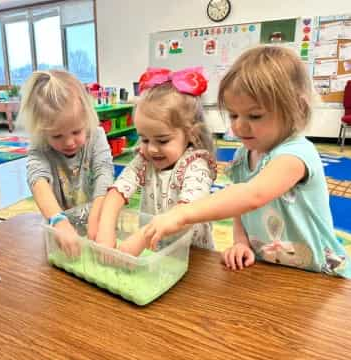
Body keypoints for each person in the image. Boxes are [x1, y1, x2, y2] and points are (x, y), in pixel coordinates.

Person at [138, 45, 351, 278]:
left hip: (319, 273)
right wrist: (241, 242)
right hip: (268, 268)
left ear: (297, 109)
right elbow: (240, 207)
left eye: (255, 115)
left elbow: (252, 196)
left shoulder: (297, 154)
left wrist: (181, 214)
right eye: (233, 115)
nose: (239, 126)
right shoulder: (244, 155)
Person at [96, 67, 217, 256]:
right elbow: (117, 191)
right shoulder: (145, 160)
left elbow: (185, 213)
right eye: (144, 139)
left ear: (191, 134)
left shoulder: (196, 165)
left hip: (193, 256)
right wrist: (105, 230)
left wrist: (142, 237)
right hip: (156, 252)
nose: (151, 148)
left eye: (162, 140)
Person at [20, 70, 114, 256]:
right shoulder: (40, 146)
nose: (69, 142)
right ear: (41, 131)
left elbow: (104, 171)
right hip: (59, 230)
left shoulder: (96, 136)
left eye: (77, 132)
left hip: (96, 220)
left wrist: (97, 218)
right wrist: (58, 221)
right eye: (57, 136)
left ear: (87, 120)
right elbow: (37, 180)